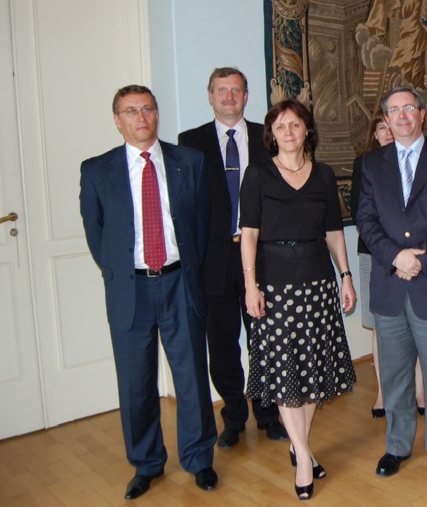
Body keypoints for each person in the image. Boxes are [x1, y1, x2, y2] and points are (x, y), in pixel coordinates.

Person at [79, 85, 218, 500]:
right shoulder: (97, 170)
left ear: (157, 115)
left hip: (179, 283)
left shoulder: (188, 162)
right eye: (130, 111)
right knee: (135, 382)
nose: (141, 117)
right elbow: (96, 233)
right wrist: (121, 272)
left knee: (191, 376)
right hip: (131, 289)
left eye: (148, 109)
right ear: (117, 119)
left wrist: (187, 271)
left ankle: (199, 458)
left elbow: (202, 224)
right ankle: (146, 463)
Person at [239, 99, 358, 500]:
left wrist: (345, 276)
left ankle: (298, 444)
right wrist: (250, 285)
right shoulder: (257, 174)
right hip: (274, 286)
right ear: (271, 135)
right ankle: (304, 456)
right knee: (286, 371)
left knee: (312, 371)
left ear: (307, 130)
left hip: (317, 283)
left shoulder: (323, 175)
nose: (288, 131)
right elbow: (249, 234)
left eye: (295, 124)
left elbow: (334, 232)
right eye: (280, 126)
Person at [355, 86, 427, 482]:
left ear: (422, 113)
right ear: (385, 119)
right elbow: (366, 220)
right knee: (394, 375)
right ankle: (397, 446)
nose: (401, 116)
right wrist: (396, 257)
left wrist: (419, 260)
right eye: (394, 110)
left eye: (409, 108)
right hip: (390, 284)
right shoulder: (371, 164)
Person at [178, 67, 287, 449]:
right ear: (210, 95)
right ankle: (234, 417)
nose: (229, 97)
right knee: (222, 344)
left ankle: (269, 414)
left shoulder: (267, 137)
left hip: (262, 257)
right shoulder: (189, 142)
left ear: (246, 96)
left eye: (236, 90)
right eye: (222, 90)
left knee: (265, 340)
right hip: (215, 260)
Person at [350, 113, 426, 420]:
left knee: (419, 321)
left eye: (390, 126)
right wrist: (392, 252)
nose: (388, 132)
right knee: (380, 325)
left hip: (416, 255)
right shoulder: (365, 165)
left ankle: (419, 391)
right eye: (381, 127)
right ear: (375, 135)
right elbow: (361, 214)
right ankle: (383, 392)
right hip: (375, 255)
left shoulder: (420, 161)